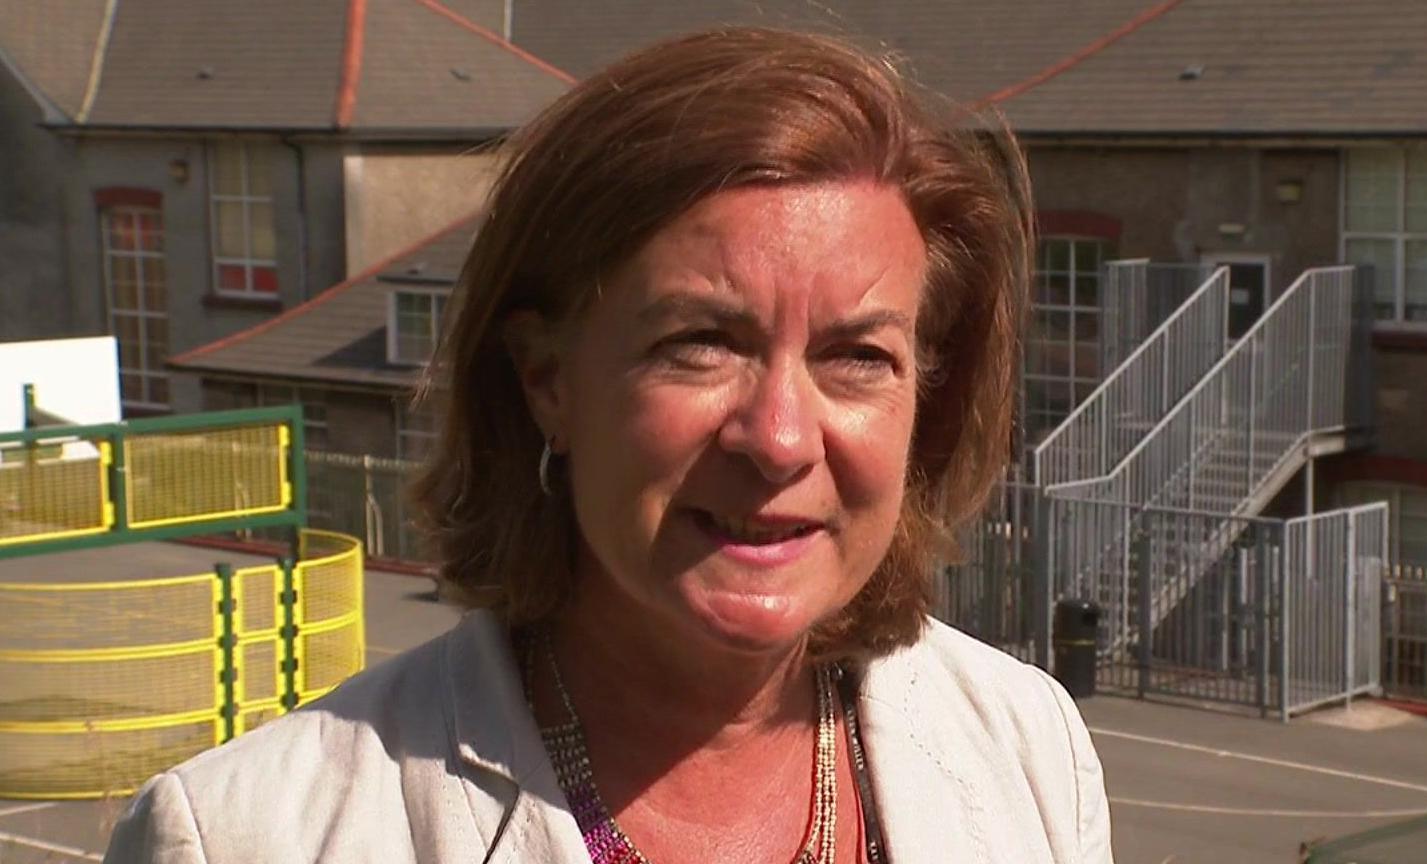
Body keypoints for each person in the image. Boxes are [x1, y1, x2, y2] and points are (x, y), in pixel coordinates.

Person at [106, 27, 1112, 863]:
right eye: (700, 344)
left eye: (856, 356)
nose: (778, 438)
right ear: (547, 381)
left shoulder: (1030, 750)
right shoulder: (244, 835)